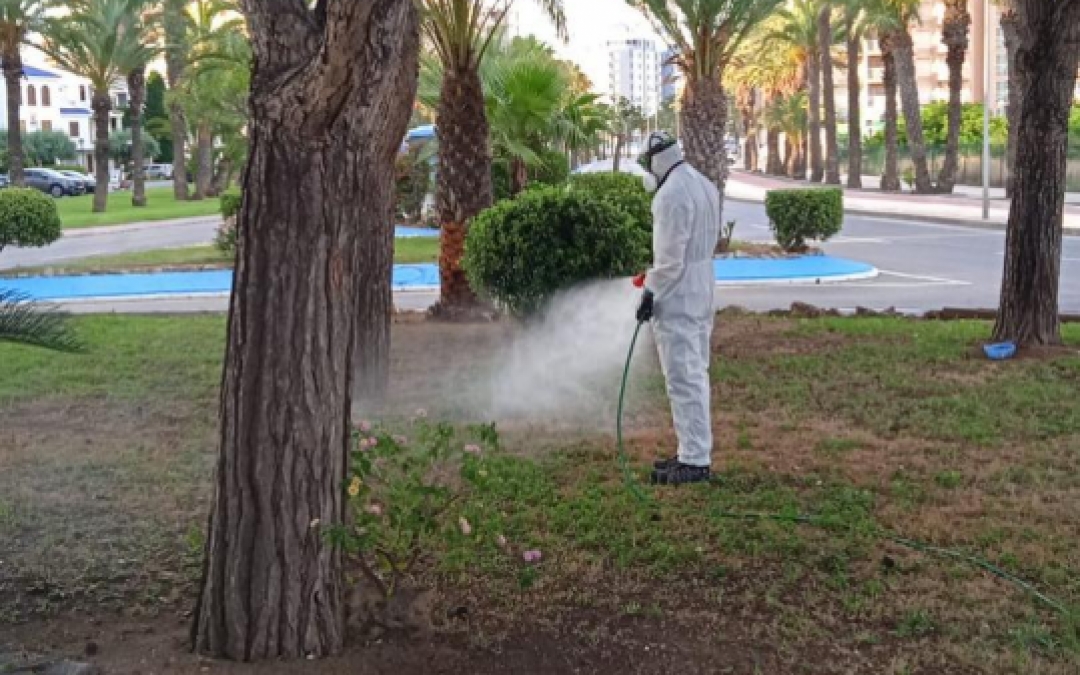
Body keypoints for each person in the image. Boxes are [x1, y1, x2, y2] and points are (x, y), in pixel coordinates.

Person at [635, 131, 721, 486]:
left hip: (679, 293)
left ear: (656, 159)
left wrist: (650, 292)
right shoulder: (703, 184)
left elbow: (670, 261)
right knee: (695, 372)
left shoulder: (670, 195)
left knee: (683, 378)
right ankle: (691, 451)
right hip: (702, 287)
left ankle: (695, 460)